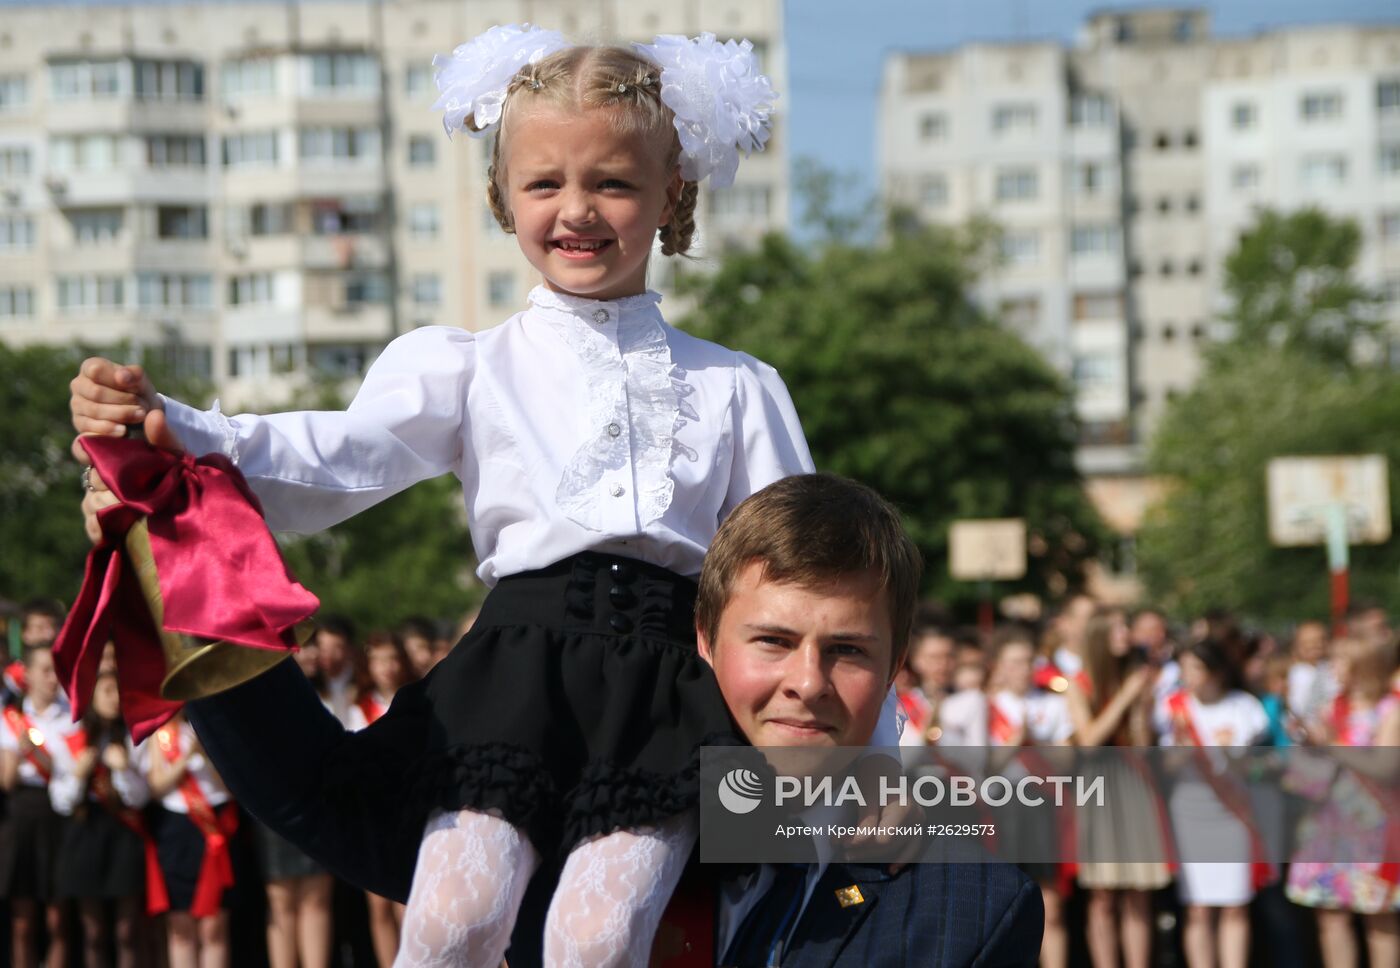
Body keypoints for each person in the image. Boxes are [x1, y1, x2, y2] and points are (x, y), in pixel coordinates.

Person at [67, 26, 900, 968]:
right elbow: (336, 462)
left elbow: (822, 583)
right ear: (502, 196)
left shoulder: (741, 386)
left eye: (614, 184)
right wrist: (178, 427)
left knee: (597, 939)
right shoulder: (467, 365)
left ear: (673, 190)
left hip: (673, 696)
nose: (576, 210)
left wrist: (878, 759)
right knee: (449, 923)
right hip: (512, 684)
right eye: (545, 183)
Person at [694, 473, 1043, 967]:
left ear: (894, 667)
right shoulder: (605, 852)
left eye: (847, 649)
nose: (809, 682)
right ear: (705, 641)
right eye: (774, 641)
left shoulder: (976, 913)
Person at [1065, 608, 1171, 968]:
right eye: (1118, 629)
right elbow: (1090, 740)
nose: (1126, 634)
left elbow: (1143, 745)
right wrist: (1126, 697)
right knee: (1103, 894)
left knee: (1139, 892)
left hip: (1134, 781)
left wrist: (1141, 708)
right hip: (1099, 786)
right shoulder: (1078, 683)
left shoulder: (1137, 676)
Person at [1286, 635, 1400, 968]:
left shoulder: (1391, 709)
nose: (1332, 668)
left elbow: (1385, 767)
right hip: (1329, 823)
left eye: (1340, 660)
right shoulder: (1332, 706)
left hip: (1373, 826)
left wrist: (1331, 743)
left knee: (1378, 919)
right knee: (1331, 917)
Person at [1155, 637, 1269, 968]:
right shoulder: (1172, 706)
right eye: (1184, 668)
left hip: (1231, 811)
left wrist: (1230, 752)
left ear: (1216, 672)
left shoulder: (1243, 707)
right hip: (1190, 810)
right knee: (1198, 906)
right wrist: (1180, 748)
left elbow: (1250, 767)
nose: (1187, 675)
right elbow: (1167, 768)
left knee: (1234, 904)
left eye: (1196, 668)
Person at [47, 669, 153, 968]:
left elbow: (141, 798)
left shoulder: (134, 737)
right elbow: (61, 802)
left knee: (127, 930)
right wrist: (79, 774)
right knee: (93, 931)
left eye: (118, 691)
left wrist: (123, 769)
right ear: (91, 696)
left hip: (122, 831)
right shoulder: (72, 738)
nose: (115, 698)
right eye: (107, 691)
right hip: (85, 832)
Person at [143, 710, 244, 968]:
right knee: (180, 926)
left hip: (217, 826)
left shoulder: (220, 728)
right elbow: (157, 785)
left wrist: (206, 754)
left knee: (214, 925)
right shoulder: (162, 732)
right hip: (177, 830)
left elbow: (235, 784)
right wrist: (188, 756)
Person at [0, 643, 72, 968]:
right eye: (44, 670)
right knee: (23, 922)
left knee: (58, 920)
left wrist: (41, 756)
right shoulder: (10, 719)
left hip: (58, 813)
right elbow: (7, 781)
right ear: (26, 673)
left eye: (55, 670)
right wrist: (19, 751)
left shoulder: (70, 716)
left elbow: (72, 771)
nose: (51, 678)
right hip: (21, 816)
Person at [348, 632, 412, 966]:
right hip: (372, 812)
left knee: (406, 899)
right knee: (378, 904)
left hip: (407, 810)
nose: (387, 667)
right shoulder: (358, 708)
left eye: (392, 658)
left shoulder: (413, 701)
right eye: (379, 660)